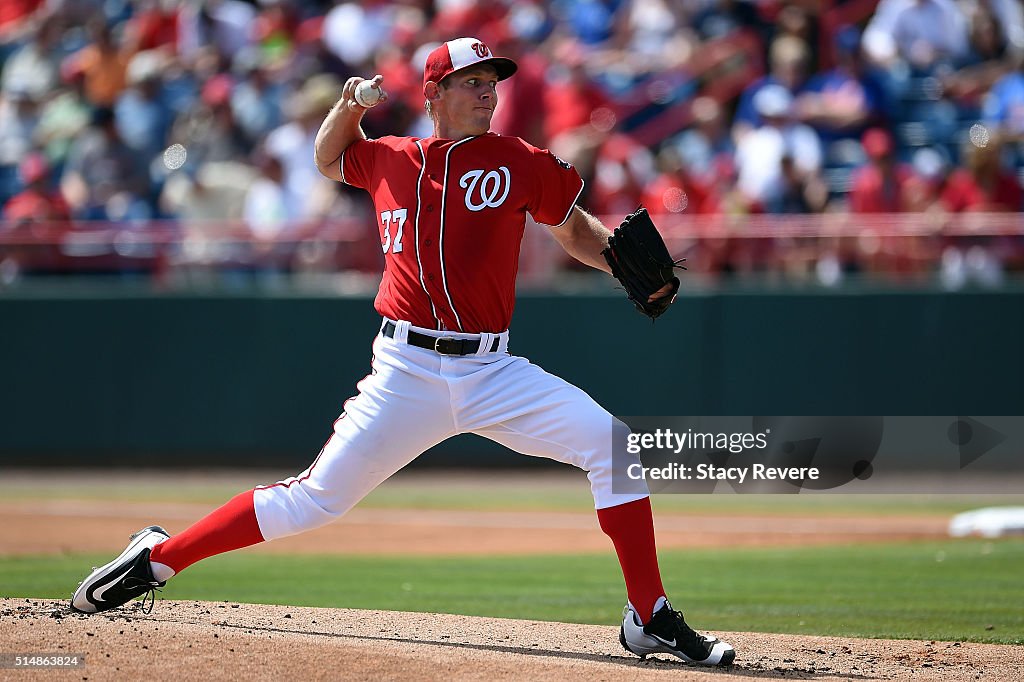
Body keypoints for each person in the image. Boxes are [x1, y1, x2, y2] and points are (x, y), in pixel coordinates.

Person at [70, 37, 736, 668]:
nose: (486, 93)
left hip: (490, 369)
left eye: (492, 82)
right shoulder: (391, 157)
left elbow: (573, 228)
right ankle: (161, 557)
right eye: (470, 83)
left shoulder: (518, 161)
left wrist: (622, 271)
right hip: (406, 373)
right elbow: (329, 159)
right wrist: (349, 104)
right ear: (433, 95)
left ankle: (647, 615)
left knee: (612, 445)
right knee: (313, 501)